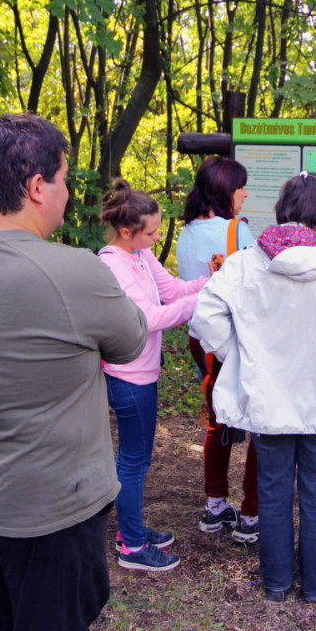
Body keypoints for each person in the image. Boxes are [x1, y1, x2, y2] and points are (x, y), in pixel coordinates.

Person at [0, 113, 148, 631]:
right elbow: (131, 340)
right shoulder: (71, 271)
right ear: (35, 186)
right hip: (48, 511)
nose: (69, 193)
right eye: (65, 179)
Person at [191, 171, 316, 601]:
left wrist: (241, 355)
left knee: (271, 492)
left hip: (268, 398)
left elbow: (204, 318)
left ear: (280, 210)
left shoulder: (245, 263)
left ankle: (276, 582)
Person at [98, 179, 209, 571]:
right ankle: (131, 545)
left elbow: (173, 289)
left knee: (136, 457)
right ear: (127, 231)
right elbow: (150, 317)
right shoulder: (114, 264)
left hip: (143, 371)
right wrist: (206, 300)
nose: (157, 236)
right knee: (134, 461)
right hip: (128, 376)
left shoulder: (140, 255)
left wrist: (212, 280)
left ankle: (130, 528)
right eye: (152, 231)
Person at [176, 156, 260, 543]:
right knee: (260, 420)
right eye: (241, 186)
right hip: (235, 336)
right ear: (227, 190)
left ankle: (214, 506)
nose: (245, 193)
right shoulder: (237, 231)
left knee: (218, 418)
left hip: (200, 338)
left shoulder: (186, 231)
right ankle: (252, 513)